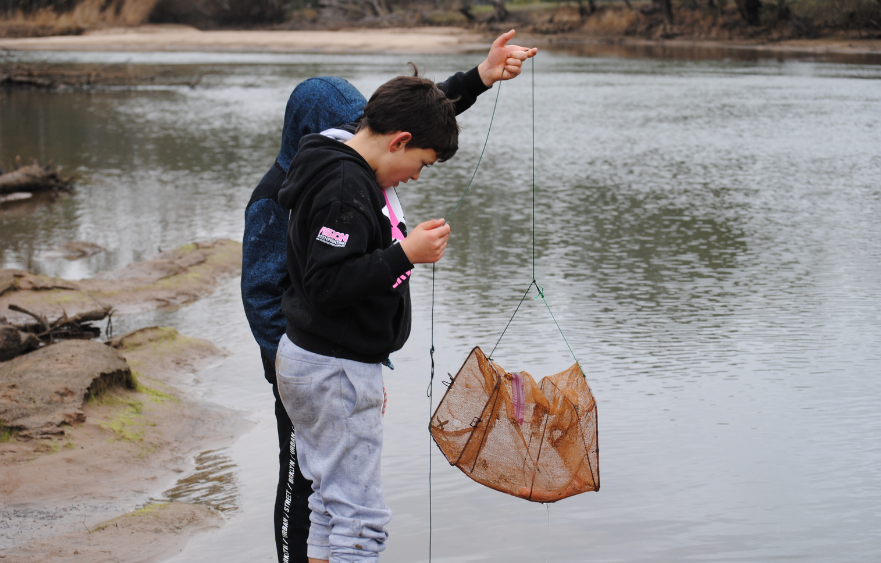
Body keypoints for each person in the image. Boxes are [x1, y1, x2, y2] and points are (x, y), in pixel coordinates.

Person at [241, 30, 536, 563]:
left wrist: (481, 76)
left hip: (329, 356)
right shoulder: (320, 192)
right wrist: (323, 371)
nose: (362, 131)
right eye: (419, 164)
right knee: (331, 504)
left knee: (333, 507)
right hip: (314, 364)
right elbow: (272, 296)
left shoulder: (350, 158)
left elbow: (418, 117)